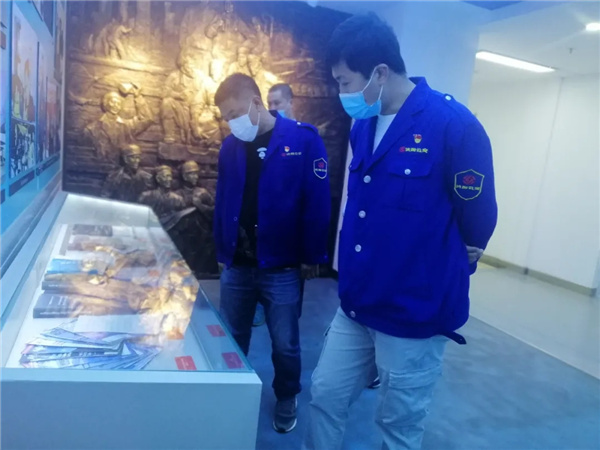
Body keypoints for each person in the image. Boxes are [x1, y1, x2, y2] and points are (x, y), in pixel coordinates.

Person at [303, 14, 498, 450]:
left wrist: (448, 260)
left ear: (380, 72)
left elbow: (478, 219)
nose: (341, 93)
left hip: (412, 311)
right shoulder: (364, 125)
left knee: (398, 426)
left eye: (345, 81)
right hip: (357, 302)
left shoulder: (452, 126)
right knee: (325, 395)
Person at [213, 73, 330, 434]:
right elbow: (223, 200)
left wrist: (312, 255)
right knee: (232, 336)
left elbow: (317, 201)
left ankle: (286, 395)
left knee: (285, 342)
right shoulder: (230, 146)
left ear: (256, 102)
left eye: (235, 113)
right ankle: (230, 390)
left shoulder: (302, 139)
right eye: (225, 117)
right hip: (238, 263)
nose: (232, 122)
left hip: (281, 265)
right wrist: (221, 249)